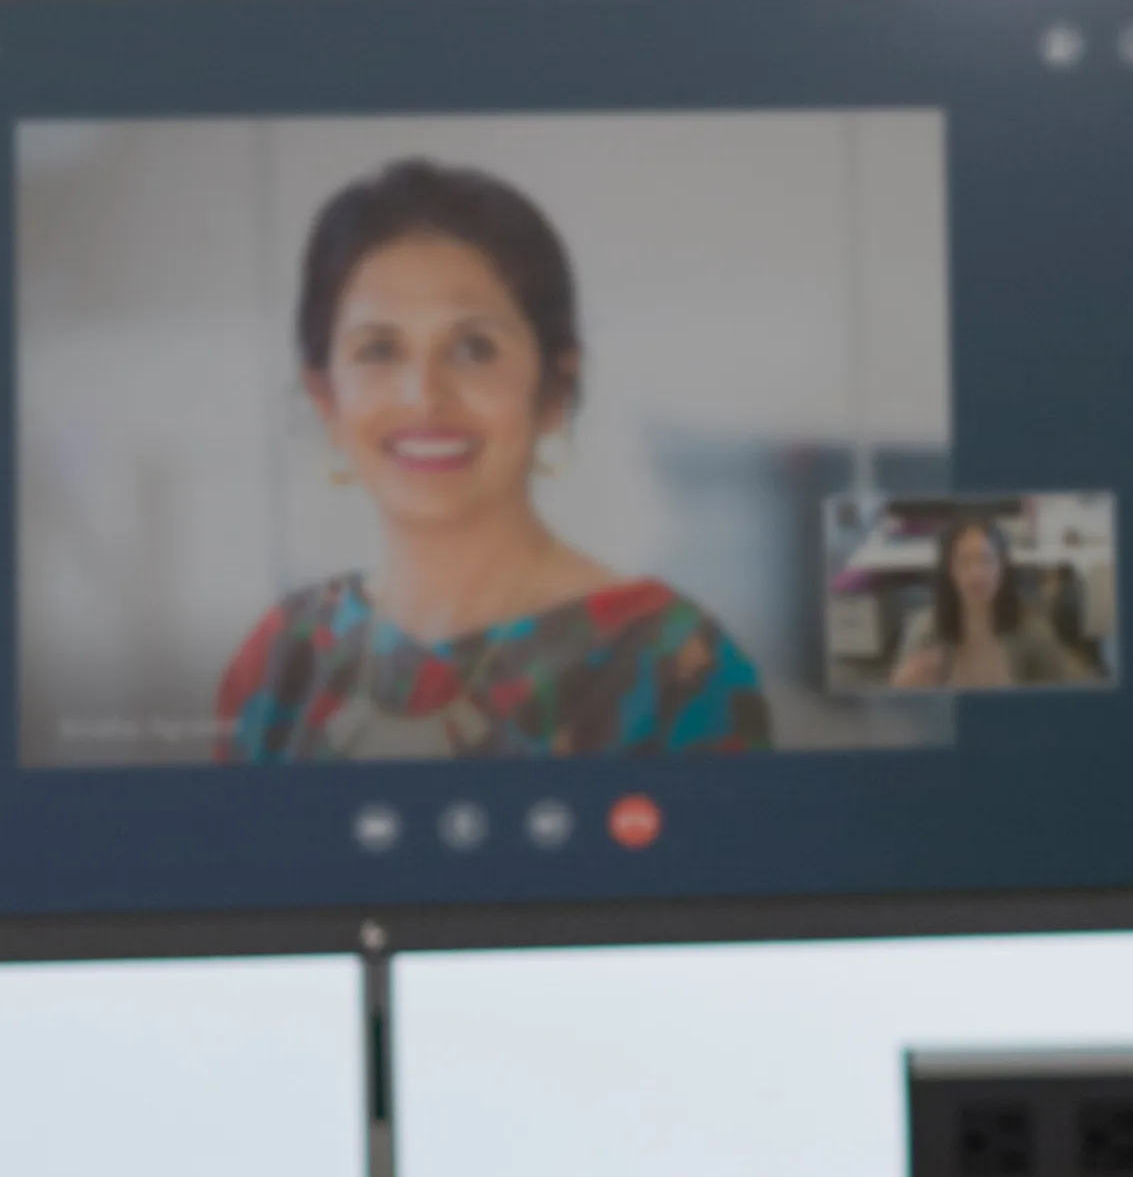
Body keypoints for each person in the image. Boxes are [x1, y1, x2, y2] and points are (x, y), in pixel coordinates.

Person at [216, 158, 771, 760]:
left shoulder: (675, 665)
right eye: (379, 349)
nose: (424, 396)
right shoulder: (283, 658)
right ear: (327, 397)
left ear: (555, 389)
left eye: (474, 347)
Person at [883, 510, 1090, 688]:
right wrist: (904, 684)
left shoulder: (1032, 631)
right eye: (964, 562)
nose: (976, 574)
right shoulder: (924, 630)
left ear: (1002, 568)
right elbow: (901, 713)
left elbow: (1059, 705)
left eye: (986, 560)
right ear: (949, 571)